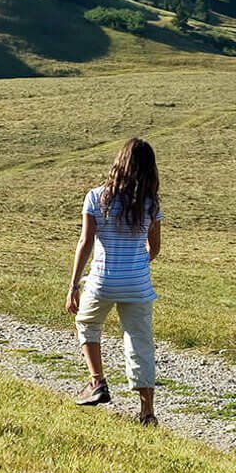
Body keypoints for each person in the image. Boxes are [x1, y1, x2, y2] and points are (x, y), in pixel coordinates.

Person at [64, 137, 162, 425]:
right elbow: (154, 248)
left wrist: (73, 285)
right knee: (140, 343)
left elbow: (86, 242)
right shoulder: (150, 203)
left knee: (87, 322)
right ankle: (147, 412)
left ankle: (97, 382)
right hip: (138, 285)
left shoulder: (96, 197)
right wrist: (136, 262)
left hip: (102, 281)